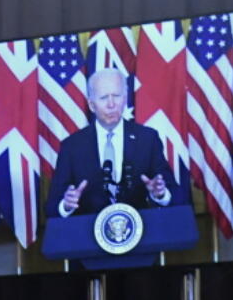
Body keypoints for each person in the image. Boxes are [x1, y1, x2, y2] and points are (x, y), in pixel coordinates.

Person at [45, 67, 178, 218]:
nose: (111, 104)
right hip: (88, 235)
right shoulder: (72, 147)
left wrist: (160, 194)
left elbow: (175, 194)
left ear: (125, 98)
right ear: (91, 105)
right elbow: (52, 207)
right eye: (103, 98)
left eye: (116, 96)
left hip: (139, 230)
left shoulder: (147, 139)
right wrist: (66, 205)